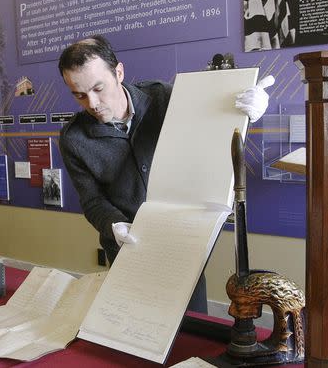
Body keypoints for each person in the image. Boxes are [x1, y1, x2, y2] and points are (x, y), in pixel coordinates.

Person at [58, 35, 272, 313]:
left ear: (119, 72)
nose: (93, 102)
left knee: (192, 325)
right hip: (127, 245)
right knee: (133, 324)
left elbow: (213, 124)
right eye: (79, 94)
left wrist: (246, 112)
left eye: (99, 88)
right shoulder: (74, 138)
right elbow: (92, 200)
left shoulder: (165, 97)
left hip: (182, 239)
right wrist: (114, 225)